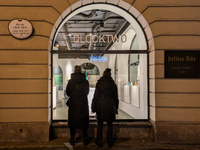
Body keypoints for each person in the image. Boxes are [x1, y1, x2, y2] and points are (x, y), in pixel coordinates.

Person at [91, 68, 119, 148]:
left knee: (100, 124)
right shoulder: (113, 84)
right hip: (110, 105)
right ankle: (109, 142)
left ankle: (99, 141)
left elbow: (96, 96)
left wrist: (93, 107)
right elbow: (115, 98)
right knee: (110, 124)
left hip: (101, 106)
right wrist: (116, 108)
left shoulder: (99, 83)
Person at [66, 65, 90, 146]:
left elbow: (68, 93)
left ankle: (72, 138)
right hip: (83, 103)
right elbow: (87, 92)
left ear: (74, 71)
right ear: (81, 71)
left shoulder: (70, 81)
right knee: (84, 121)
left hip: (73, 104)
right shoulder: (85, 81)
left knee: (73, 120)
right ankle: (85, 138)